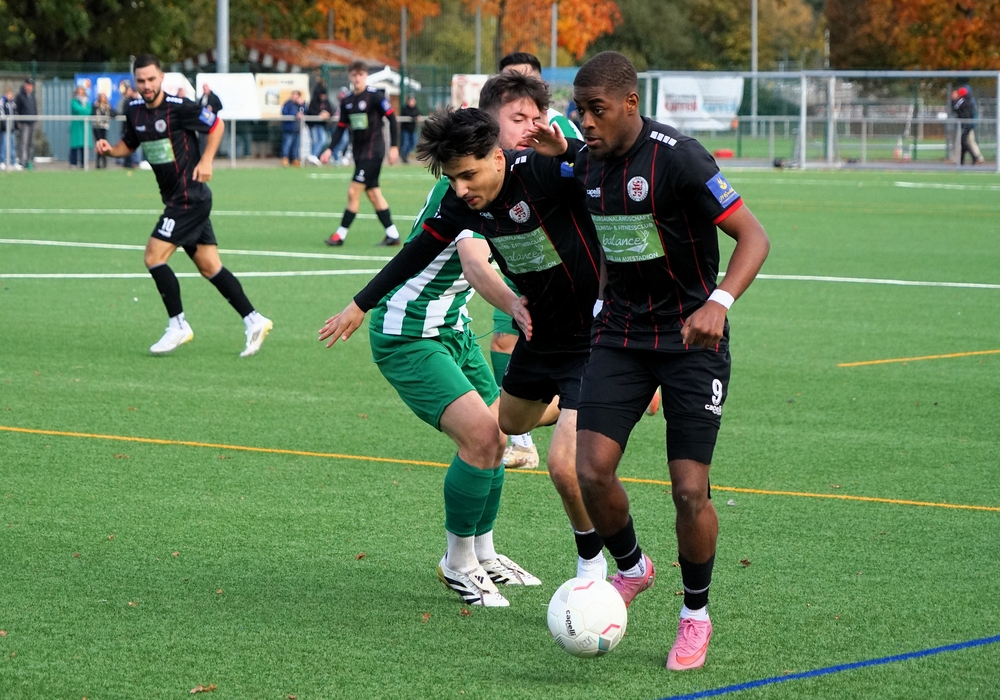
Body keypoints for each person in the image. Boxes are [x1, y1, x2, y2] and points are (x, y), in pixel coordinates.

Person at [325, 79, 611, 586]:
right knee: (482, 435)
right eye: (518, 120)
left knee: (498, 434)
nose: (532, 129)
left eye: (535, 118)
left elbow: (597, 181)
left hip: (452, 326)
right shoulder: (465, 188)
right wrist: (361, 304)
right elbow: (471, 263)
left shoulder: (520, 171)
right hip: (409, 329)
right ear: (491, 130)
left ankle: (484, 553)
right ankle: (457, 563)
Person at [556, 51, 770, 671]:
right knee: (590, 472)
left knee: (689, 490)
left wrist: (719, 303)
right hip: (620, 336)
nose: (586, 121)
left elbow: (754, 237)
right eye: (579, 110)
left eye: (596, 110)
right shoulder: (587, 161)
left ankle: (695, 615)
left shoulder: (680, 157)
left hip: (690, 342)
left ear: (631, 103)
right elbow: (589, 209)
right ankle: (633, 568)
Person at [95, 53, 273, 357]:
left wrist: (207, 160)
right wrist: (110, 151)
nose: (147, 85)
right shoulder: (134, 110)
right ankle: (254, 320)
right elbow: (130, 143)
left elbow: (216, 125)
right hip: (180, 198)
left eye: (152, 79)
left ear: (162, 78)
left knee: (153, 256)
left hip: (189, 197)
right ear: (135, 81)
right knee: (209, 266)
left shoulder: (180, 107)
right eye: (141, 80)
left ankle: (178, 325)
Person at [486, 52, 588, 468]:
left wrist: (564, 153)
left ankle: (611, 390)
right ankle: (523, 436)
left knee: (567, 466)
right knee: (502, 341)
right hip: (518, 266)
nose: (529, 121)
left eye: (534, 110)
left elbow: (590, 171)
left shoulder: (558, 133)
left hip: (572, 277)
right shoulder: (480, 160)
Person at [320, 60, 400, 247]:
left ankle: (340, 235)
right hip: (359, 153)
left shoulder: (375, 96)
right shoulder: (347, 101)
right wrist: (330, 149)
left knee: (353, 191)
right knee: (373, 194)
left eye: (361, 74)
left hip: (373, 152)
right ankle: (393, 234)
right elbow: (340, 127)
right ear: (350, 76)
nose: (357, 78)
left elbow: (392, 119)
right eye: (354, 75)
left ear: (366, 76)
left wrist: (394, 147)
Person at [952, 86, 985, 166]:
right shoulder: (969, 100)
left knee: (965, 141)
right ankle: (962, 160)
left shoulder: (962, 100)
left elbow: (955, 107)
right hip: (967, 124)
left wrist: (953, 100)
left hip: (966, 124)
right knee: (963, 142)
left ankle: (975, 157)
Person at [306, 82, 333, 165]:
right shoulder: (314, 102)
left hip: (321, 125)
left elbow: (331, 111)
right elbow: (311, 112)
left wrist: (327, 114)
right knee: (316, 141)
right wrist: (319, 114)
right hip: (313, 125)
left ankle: (314, 155)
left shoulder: (326, 102)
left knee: (323, 140)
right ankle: (313, 156)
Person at [15, 78, 37, 169]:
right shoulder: (20, 96)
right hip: (24, 123)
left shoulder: (32, 97)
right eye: (28, 85)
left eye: (31, 86)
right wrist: (18, 121)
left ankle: (29, 160)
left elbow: (34, 108)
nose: (29, 87)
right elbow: (16, 110)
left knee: (30, 143)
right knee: (23, 142)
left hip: (32, 122)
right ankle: (22, 161)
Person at [280, 90, 305, 167]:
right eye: (293, 95)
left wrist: (303, 104)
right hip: (289, 129)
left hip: (297, 129)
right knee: (287, 145)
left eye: (296, 95)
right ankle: (285, 158)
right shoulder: (288, 104)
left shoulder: (300, 105)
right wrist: (295, 114)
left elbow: (305, 110)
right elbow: (285, 112)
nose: (294, 97)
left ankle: (295, 159)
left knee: (296, 146)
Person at [91, 93, 115, 169]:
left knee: (103, 144)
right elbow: (92, 113)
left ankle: (104, 163)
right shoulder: (96, 106)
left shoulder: (107, 107)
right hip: (97, 127)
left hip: (104, 127)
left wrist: (109, 108)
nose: (102, 99)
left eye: (104, 97)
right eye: (101, 97)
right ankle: (98, 163)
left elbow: (114, 114)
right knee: (98, 144)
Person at [69, 86, 91, 168]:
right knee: (74, 145)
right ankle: (73, 163)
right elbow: (77, 109)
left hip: (85, 126)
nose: (80, 93)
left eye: (82, 91)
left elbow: (89, 111)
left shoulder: (87, 102)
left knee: (84, 145)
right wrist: (83, 110)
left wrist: (84, 110)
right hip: (76, 126)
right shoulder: (74, 101)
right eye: (79, 91)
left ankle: (84, 163)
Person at [330, 86, 352, 164]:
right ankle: (335, 156)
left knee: (345, 141)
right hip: (335, 125)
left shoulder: (347, 103)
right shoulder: (335, 103)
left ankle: (338, 156)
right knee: (342, 140)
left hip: (344, 126)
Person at [399, 94, 420, 163]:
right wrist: (414, 117)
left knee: (414, 143)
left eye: (413, 100)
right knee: (405, 143)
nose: (411, 102)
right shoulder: (405, 109)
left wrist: (417, 117)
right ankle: (403, 156)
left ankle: (405, 154)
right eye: (410, 100)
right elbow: (408, 115)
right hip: (405, 130)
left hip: (413, 130)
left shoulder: (416, 109)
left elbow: (418, 114)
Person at [0, 87, 16, 170]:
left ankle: (13, 162)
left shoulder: (13, 103)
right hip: (4, 128)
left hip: (11, 128)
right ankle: (2, 161)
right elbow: (1, 113)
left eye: (10, 94)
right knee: (3, 144)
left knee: (12, 145)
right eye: (8, 94)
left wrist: (15, 124)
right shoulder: (2, 101)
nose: (9, 95)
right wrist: (4, 123)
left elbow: (15, 113)